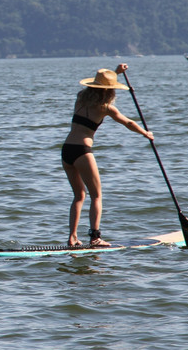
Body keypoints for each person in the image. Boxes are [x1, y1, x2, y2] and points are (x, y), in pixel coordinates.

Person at [62, 64, 153, 247]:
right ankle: (95, 238)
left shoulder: (80, 98)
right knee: (96, 195)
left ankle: (72, 237)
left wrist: (115, 72)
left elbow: (100, 83)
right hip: (82, 151)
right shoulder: (106, 108)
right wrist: (146, 133)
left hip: (66, 150)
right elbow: (128, 122)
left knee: (79, 195)